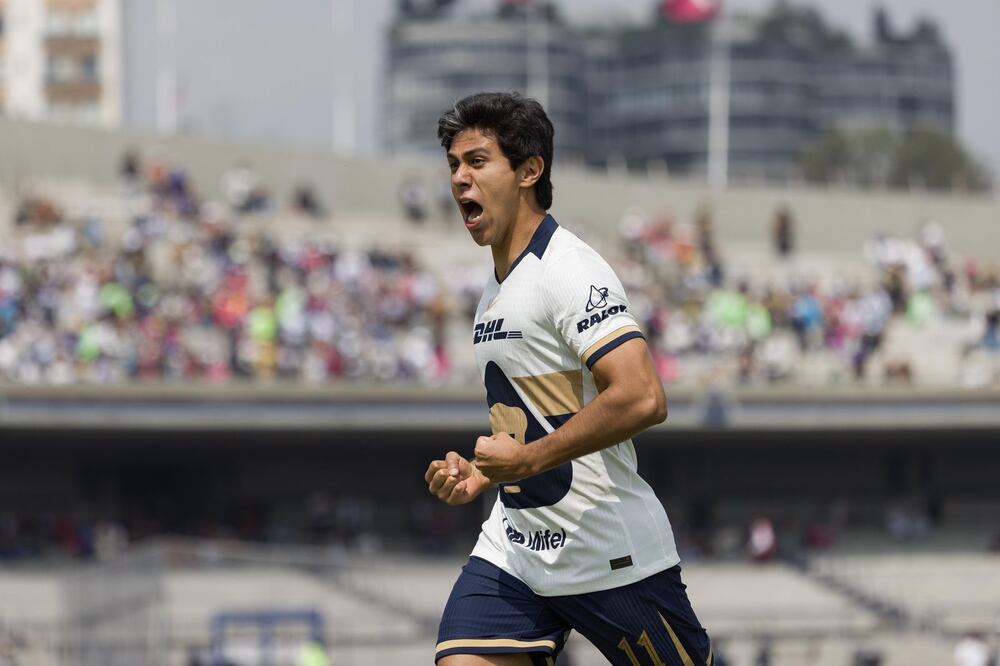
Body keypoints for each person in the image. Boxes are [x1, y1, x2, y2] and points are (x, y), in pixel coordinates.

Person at [424, 92, 711, 665]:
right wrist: (484, 472)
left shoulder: (568, 270)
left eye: (477, 161)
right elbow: (536, 416)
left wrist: (529, 462)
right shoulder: (494, 287)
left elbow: (643, 397)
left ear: (530, 170)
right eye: (454, 164)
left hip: (606, 550)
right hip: (518, 551)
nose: (459, 179)